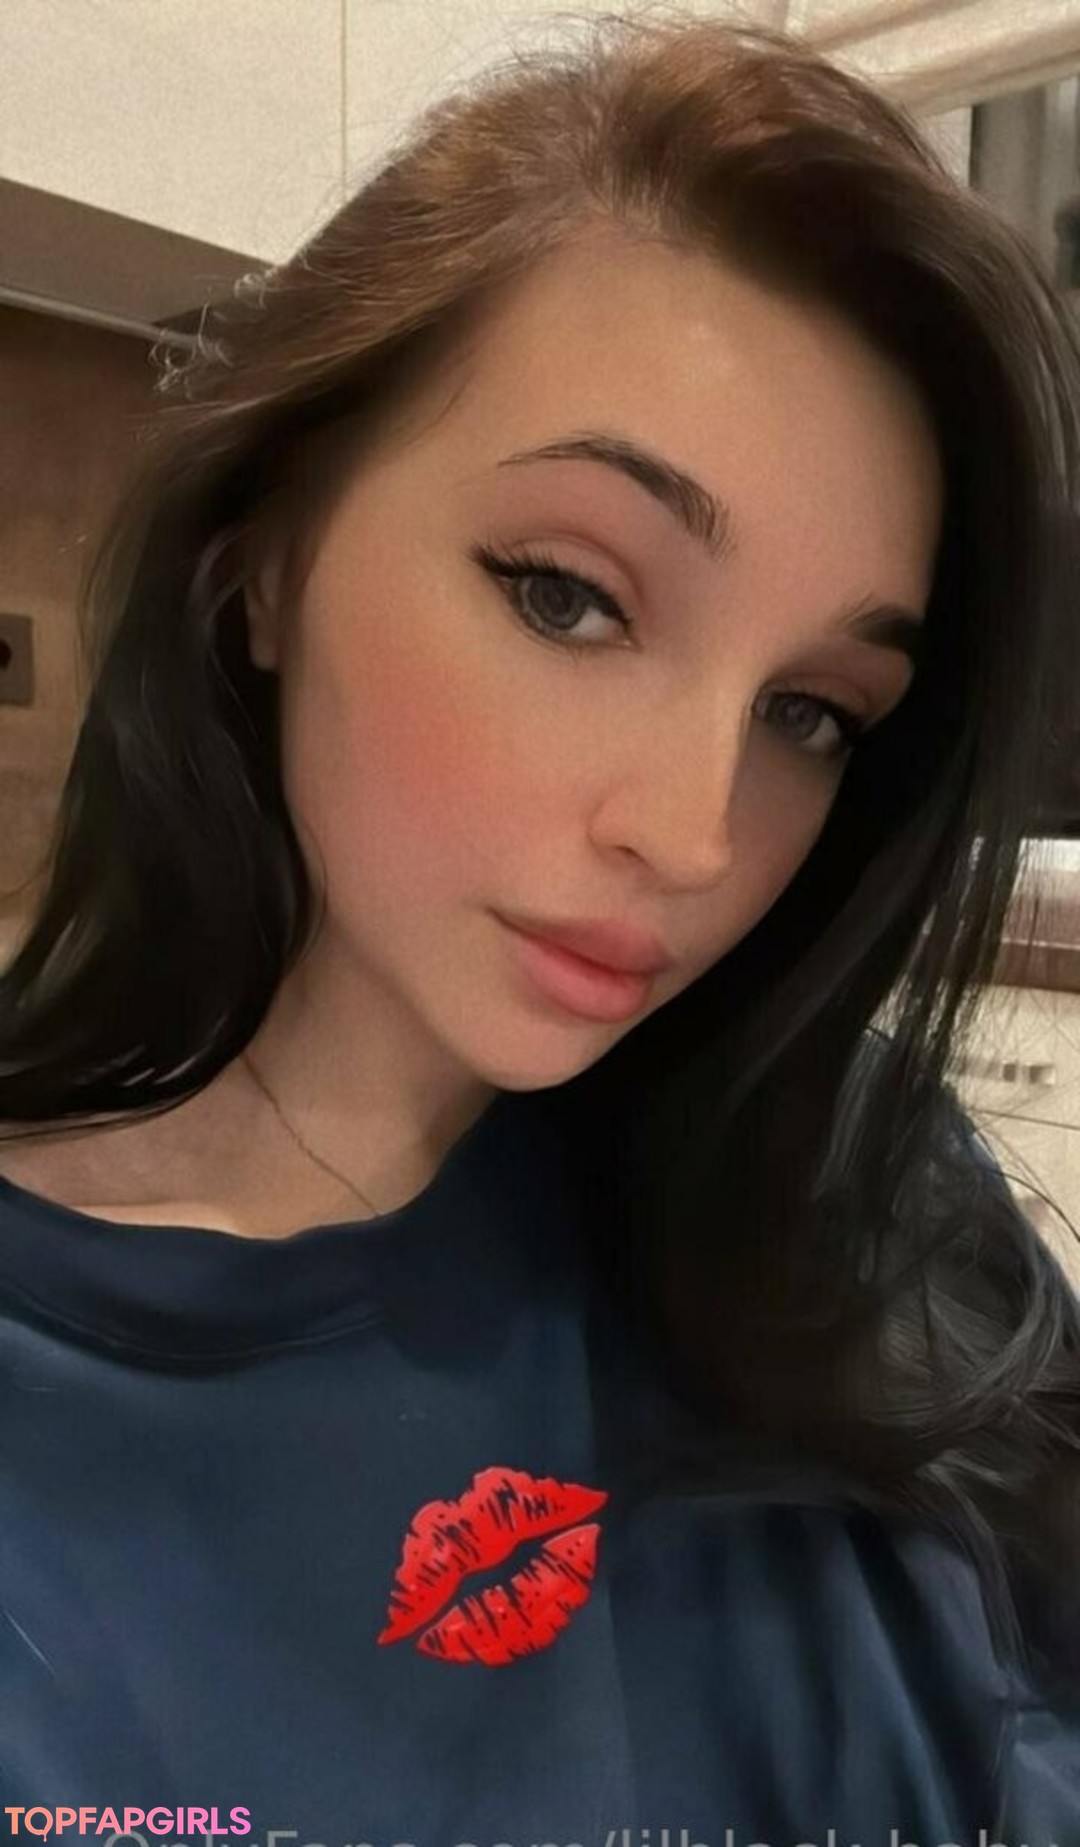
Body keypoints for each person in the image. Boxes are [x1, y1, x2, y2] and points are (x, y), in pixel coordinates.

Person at [0, 9, 1078, 1840]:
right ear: (268, 557)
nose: (696, 834)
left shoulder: (867, 1189)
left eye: (813, 712)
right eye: (570, 597)